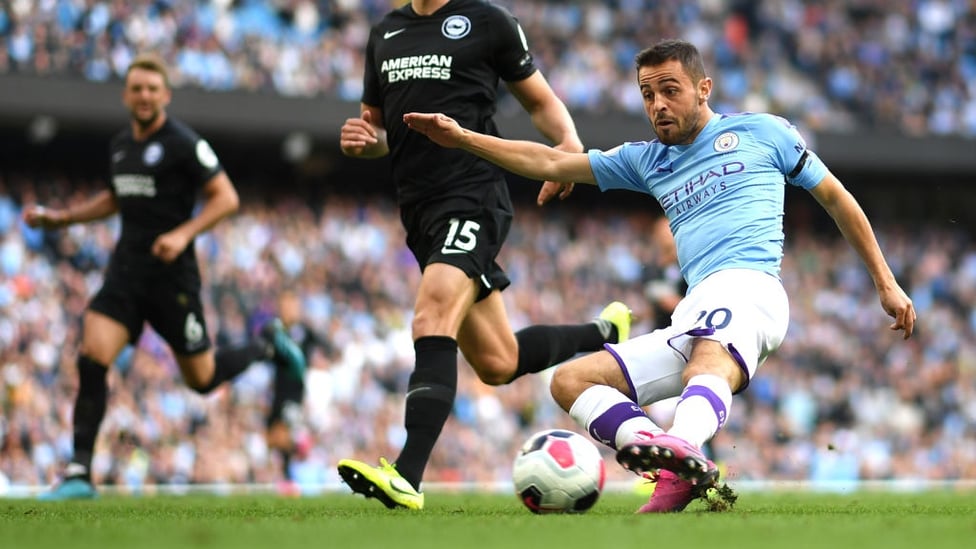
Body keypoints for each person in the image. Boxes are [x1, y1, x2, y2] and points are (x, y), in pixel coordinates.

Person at [403, 38, 916, 513]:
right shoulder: (647, 161)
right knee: (570, 380)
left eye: (670, 91)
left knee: (707, 361)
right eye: (648, 95)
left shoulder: (765, 132)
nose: (658, 106)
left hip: (751, 286)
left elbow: (836, 198)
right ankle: (669, 464)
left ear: (703, 88)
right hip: (695, 308)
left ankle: (684, 447)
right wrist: (464, 138)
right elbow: (548, 161)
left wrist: (884, 281)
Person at [335, 0, 632, 510]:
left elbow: (539, 101)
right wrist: (364, 144)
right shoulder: (385, 32)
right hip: (419, 211)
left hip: (472, 195)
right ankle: (604, 333)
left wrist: (568, 148)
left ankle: (407, 476)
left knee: (432, 313)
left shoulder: (488, 21)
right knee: (499, 361)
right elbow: (382, 130)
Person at [23, 53, 306, 500]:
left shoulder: (183, 143)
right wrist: (62, 219)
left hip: (172, 281)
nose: (144, 96)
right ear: (126, 94)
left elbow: (226, 198)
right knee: (92, 355)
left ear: (165, 95)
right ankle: (79, 472)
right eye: (137, 88)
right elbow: (115, 198)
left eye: (153, 89)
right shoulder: (121, 146)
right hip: (126, 275)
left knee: (202, 379)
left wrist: (182, 234)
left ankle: (268, 345)